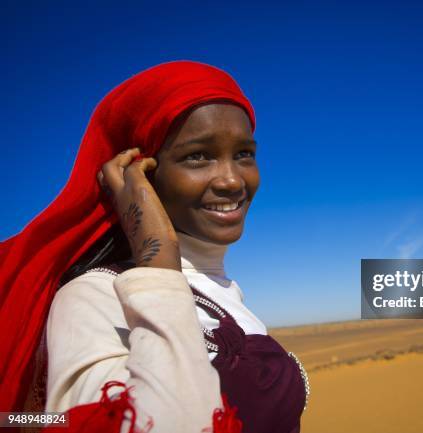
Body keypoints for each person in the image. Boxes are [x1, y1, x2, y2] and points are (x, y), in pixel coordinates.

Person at [0, 61, 308, 433]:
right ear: (138, 174)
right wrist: (157, 256)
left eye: (244, 153)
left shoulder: (224, 290)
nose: (231, 180)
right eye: (198, 155)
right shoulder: (94, 296)